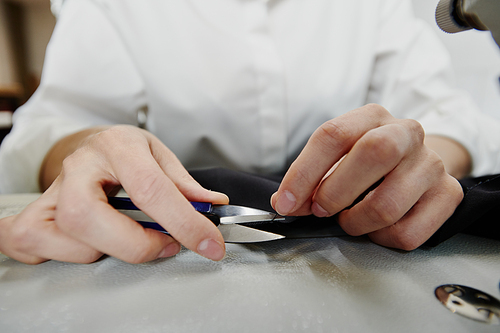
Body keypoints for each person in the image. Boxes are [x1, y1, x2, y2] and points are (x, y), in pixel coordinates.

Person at [0, 0, 499, 264]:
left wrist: (410, 163)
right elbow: (56, 124)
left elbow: (442, 117)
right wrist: (88, 150)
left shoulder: (371, 6)